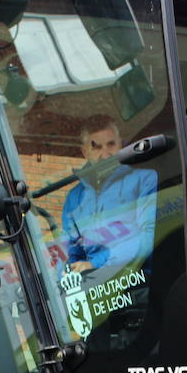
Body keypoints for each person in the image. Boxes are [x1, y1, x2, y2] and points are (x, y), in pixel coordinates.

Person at [62, 115, 158, 276]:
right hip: (94, 287)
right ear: (85, 151)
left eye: (111, 144)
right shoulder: (74, 198)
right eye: (96, 147)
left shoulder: (144, 180)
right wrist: (69, 271)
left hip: (136, 281)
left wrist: (94, 264)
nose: (105, 155)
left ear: (121, 145)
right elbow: (72, 252)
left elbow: (148, 238)